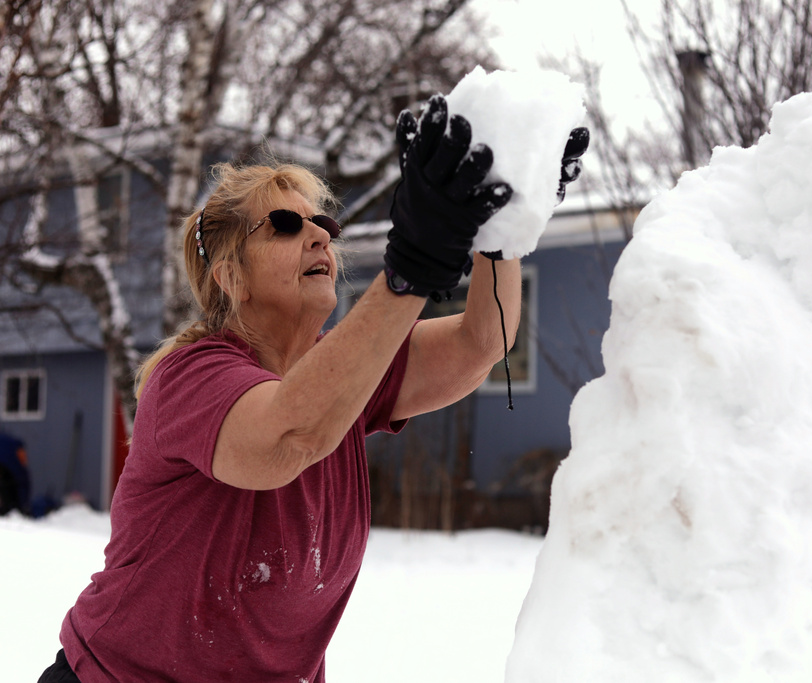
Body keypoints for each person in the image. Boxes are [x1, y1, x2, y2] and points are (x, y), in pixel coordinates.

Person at [39, 94, 587, 682]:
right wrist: (412, 271)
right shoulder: (191, 378)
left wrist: (504, 232)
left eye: (324, 224)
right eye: (284, 225)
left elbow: (484, 341)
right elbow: (290, 434)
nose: (321, 237)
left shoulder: (341, 373)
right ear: (231, 276)